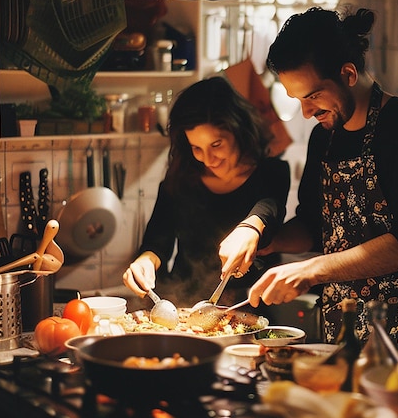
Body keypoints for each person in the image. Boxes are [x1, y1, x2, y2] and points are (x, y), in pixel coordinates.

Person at [235, 7, 398, 356]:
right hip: (341, 334)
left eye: (313, 96)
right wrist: (262, 239)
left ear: (348, 74)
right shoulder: (325, 136)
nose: (307, 112)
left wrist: (311, 270)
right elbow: (314, 225)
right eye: (298, 100)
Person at [123, 75, 290, 308]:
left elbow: (269, 209)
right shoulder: (181, 177)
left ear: (238, 130)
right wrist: (145, 261)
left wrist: (251, 226)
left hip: (247, 307)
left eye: (216, 145)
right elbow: (157, 240)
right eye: (196, 148)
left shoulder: (272, 172)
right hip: (181, 303)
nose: (208, 159)